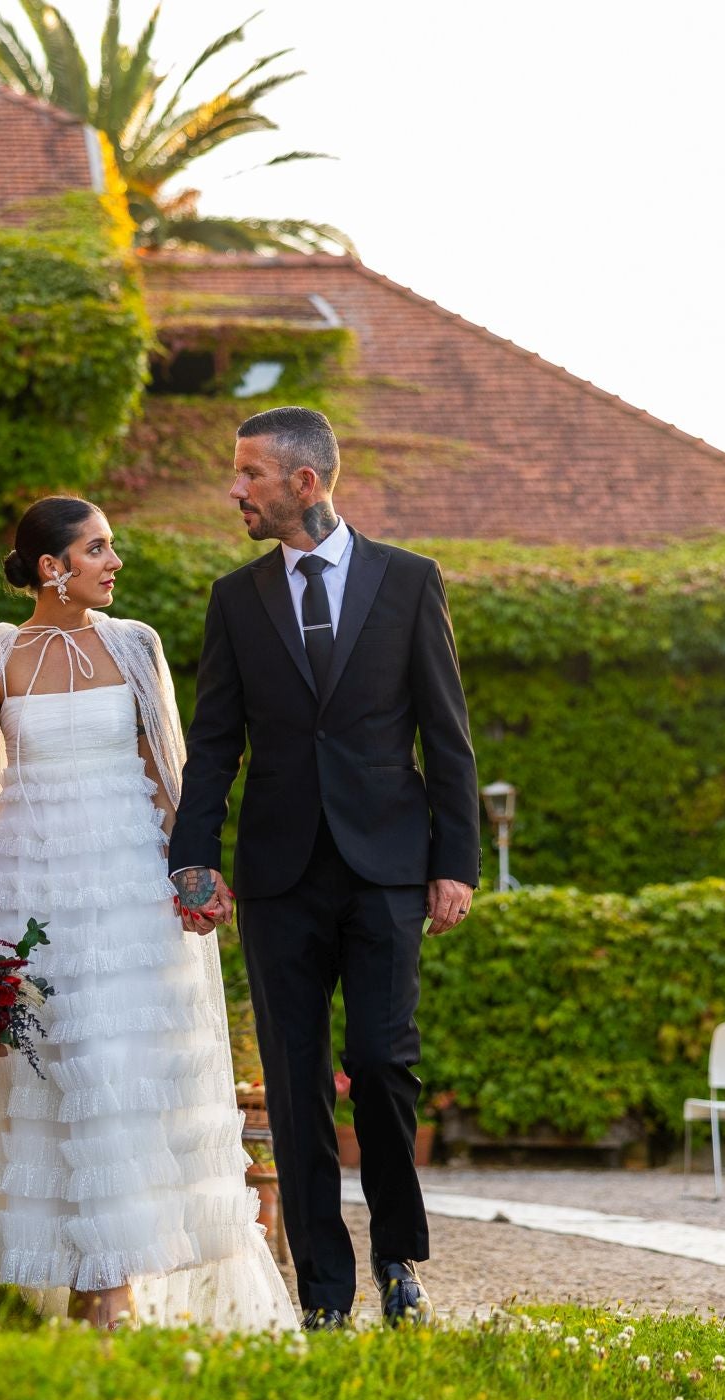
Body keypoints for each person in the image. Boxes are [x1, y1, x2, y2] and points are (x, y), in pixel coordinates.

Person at [0, 495, 297, 1332]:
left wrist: (192, 873)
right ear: (52, 569)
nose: (115, 563)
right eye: (98, 549)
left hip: (126, 887)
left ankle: (109, 1289)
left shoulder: (134, 644)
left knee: (117, 1075)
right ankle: (82, 1273)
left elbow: (168, 776)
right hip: (30, 886)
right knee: (52, 1071)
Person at [167, 406, 478, 1329]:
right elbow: (215, 743)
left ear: (306, 482)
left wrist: (454, 859)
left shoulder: (410, 582)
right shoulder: (235, 598)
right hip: (278, 874)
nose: (235, 492)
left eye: (249, 476)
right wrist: (193, 858)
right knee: (296, 1087)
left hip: (386, 867)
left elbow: (447, 734)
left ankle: (398, 1259)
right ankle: (326, 1296)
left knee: (382, 1065)